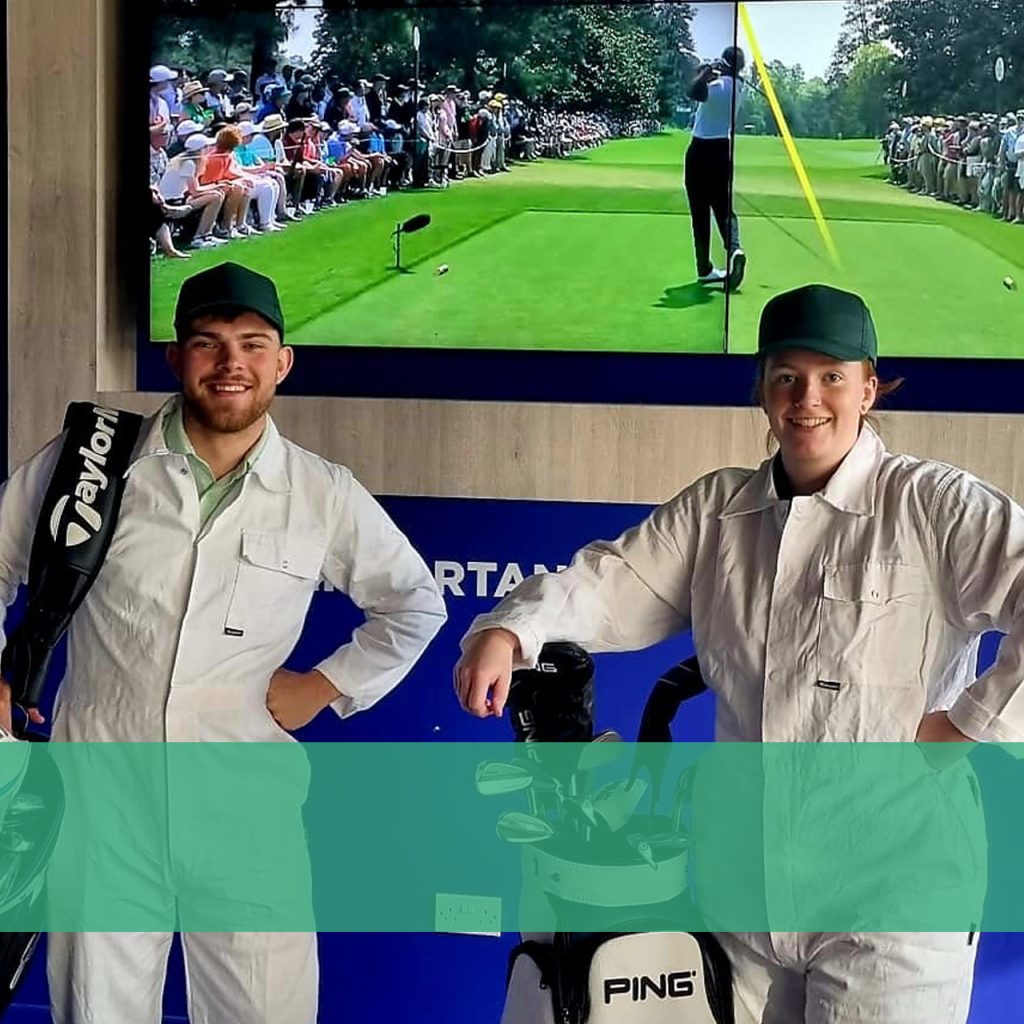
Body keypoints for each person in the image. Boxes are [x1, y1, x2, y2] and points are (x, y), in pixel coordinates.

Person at [454, 282, 1024, 1023]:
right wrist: (510, 629)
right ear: (762, 389)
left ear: (868, 388)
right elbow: (609, 583)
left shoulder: (930, 504)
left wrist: (968, 724)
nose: (807, 398)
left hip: (892, 898)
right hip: (743, 897)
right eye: (786, 376)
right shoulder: (719, 512)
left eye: (831, 376)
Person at [0, 262, 447, 1023]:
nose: (231, 362)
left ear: (282, 363)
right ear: (176, 358)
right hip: (102, 804)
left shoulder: (321, 491)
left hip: (247, 813)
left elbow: (414, 603)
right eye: (208, 342)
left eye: (253, 344)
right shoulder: (93, 465)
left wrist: (326, 685)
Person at [684, 45, 747, 291]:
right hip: (722, 151)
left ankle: (704, 268)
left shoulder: (716, 87)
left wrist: (706, 70)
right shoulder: (738, 88)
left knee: (700, 213)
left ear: (723, 63)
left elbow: (692, 90)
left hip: (699, 152)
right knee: (723, 209)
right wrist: (710, 70)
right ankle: (735, 249)